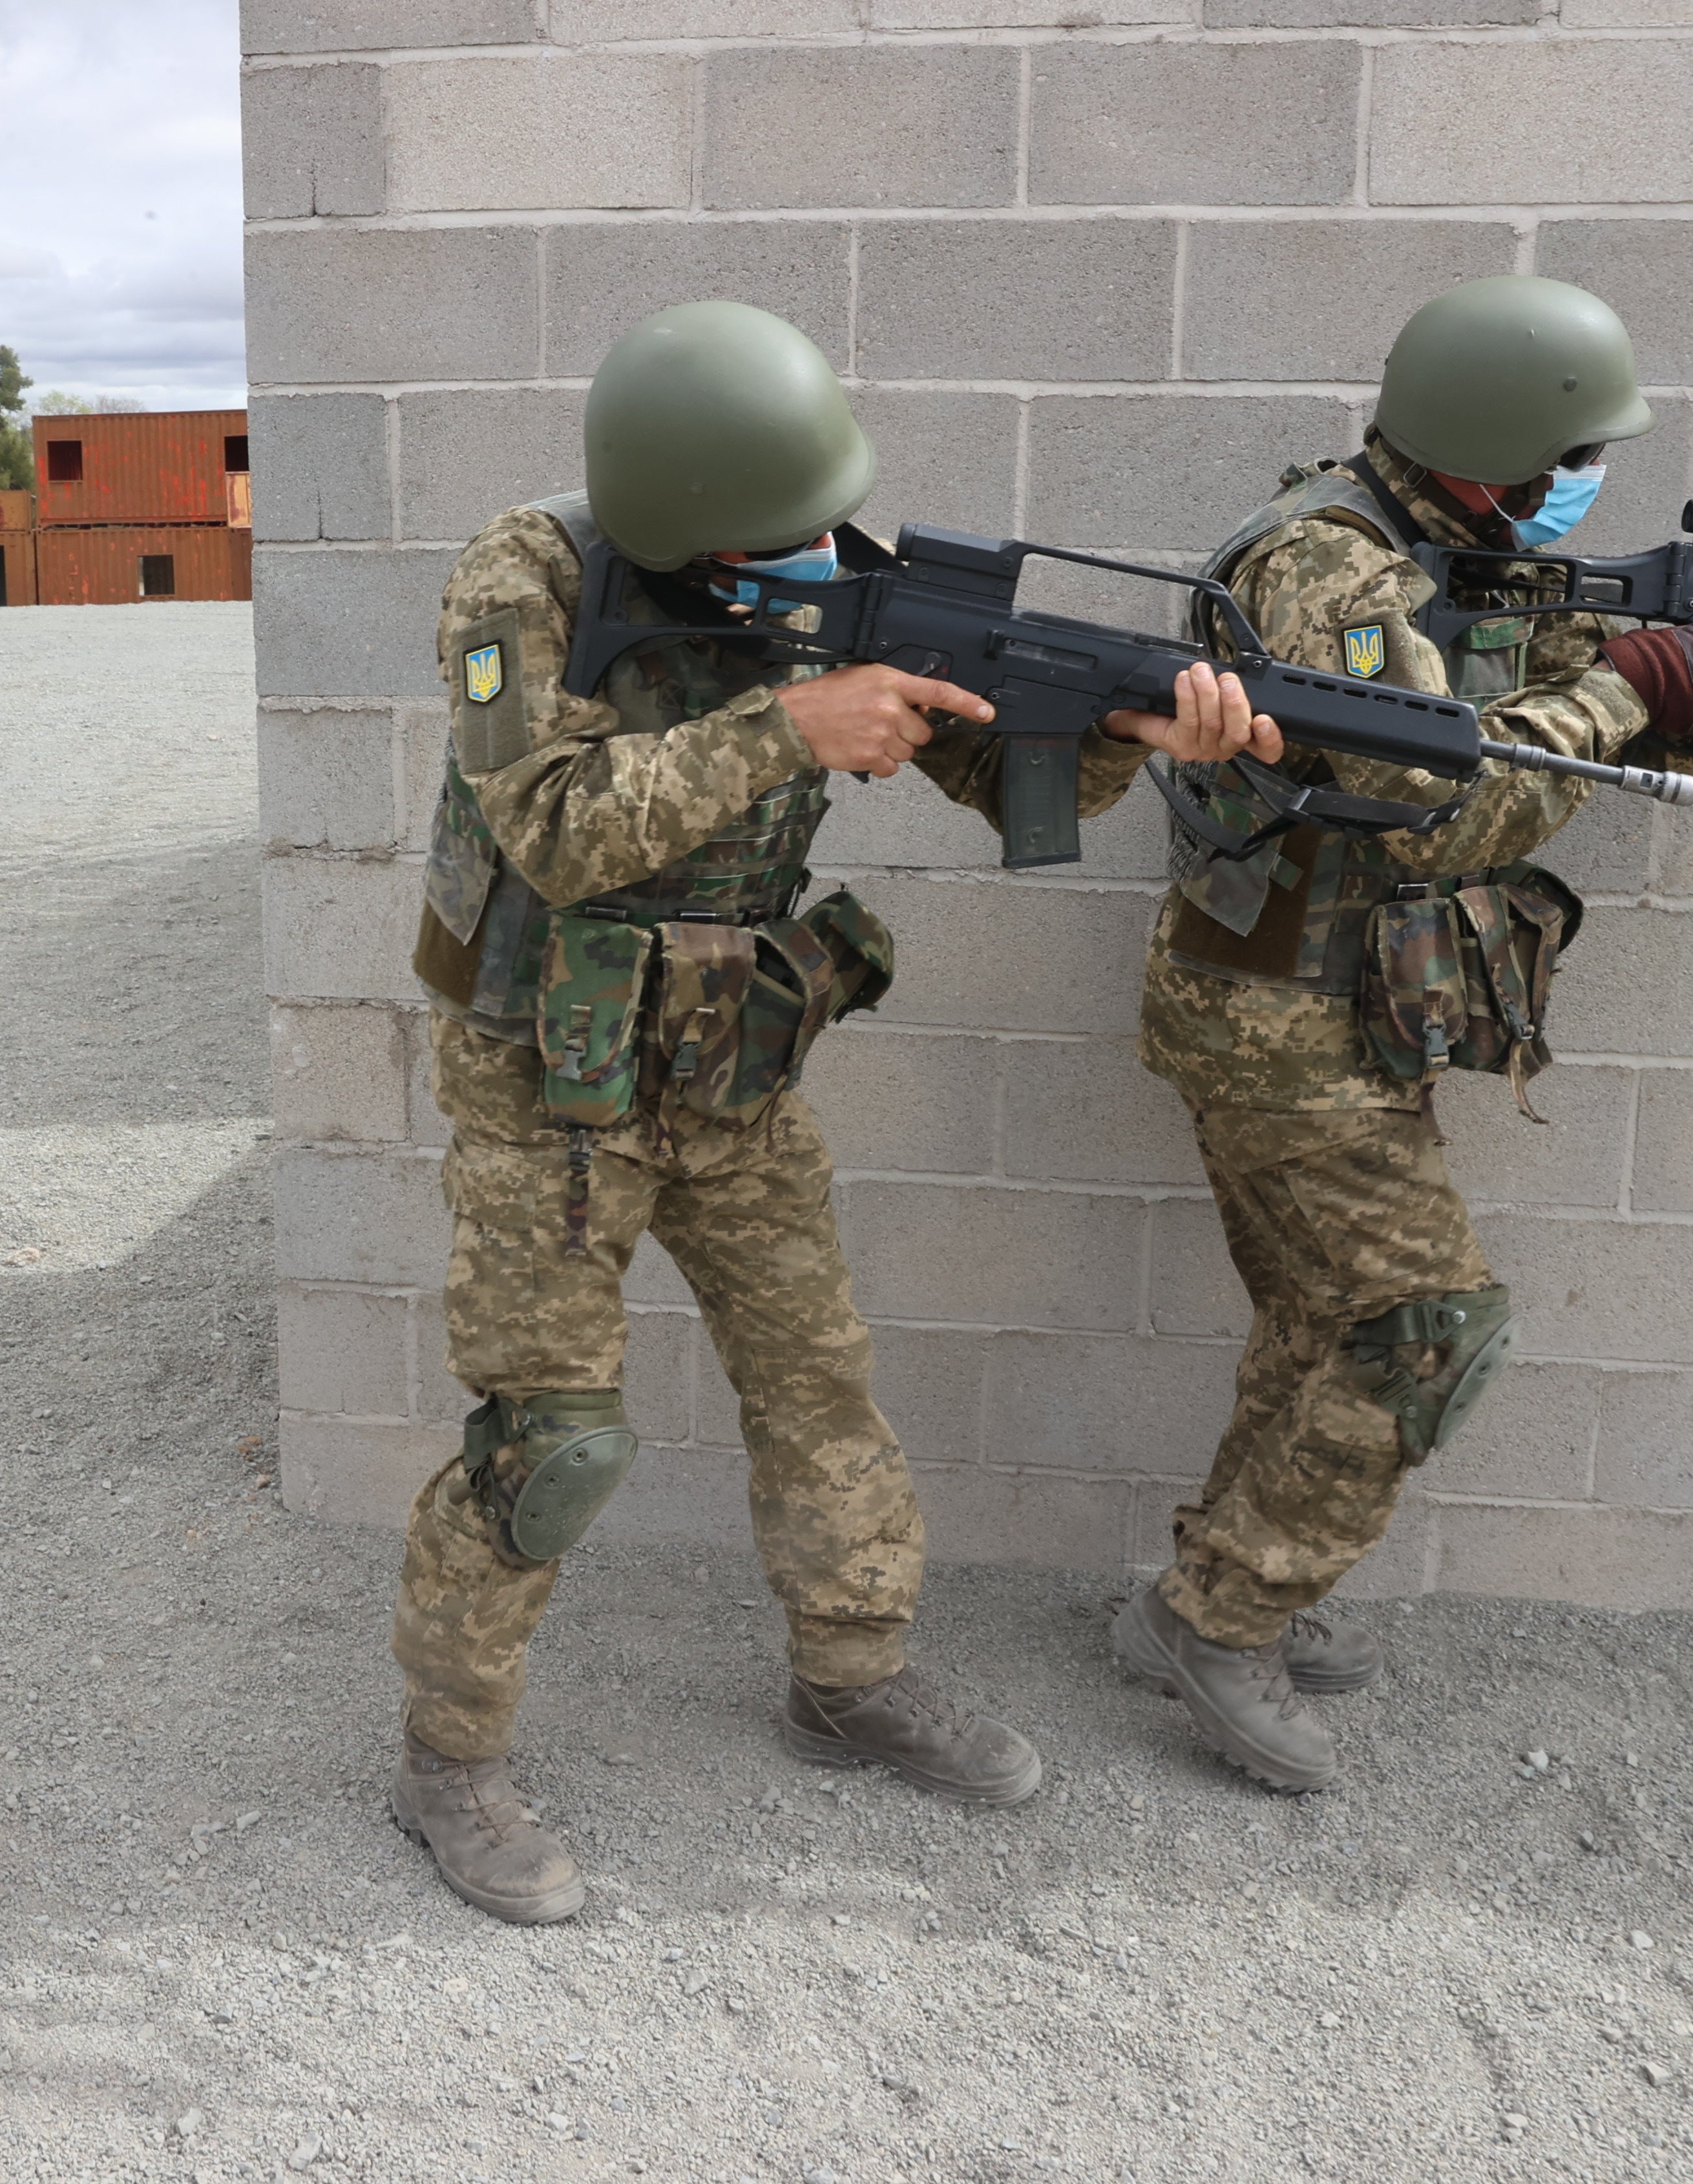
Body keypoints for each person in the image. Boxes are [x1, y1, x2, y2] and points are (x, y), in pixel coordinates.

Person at [386, 300, 1282, 1922]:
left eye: (821, 514)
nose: (816, 552)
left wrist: (1115, 734)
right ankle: (449, 1757)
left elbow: (990, 762)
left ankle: (848, 1679)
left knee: (819, 1389)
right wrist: (783, 724)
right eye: (776, 534)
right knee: (549, 1440)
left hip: (732, 1066)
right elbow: (553, 830)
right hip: (550, 1089)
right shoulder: (521, 578)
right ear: (685, 520)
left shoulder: (835, 576)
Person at [1108, 275, 1693, 1791]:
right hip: (1274, 1018)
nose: (1587, 482)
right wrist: (1619, 691)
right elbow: (1445, 808)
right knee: (1420, 1327)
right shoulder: (1331, 569)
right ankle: (1219, 1620)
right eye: (1571, 452)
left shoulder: (1455, 548)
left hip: (1332, 1012)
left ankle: (1208, 1593)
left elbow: (1632, 723)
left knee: (1326, 1321)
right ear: (1493, 443)